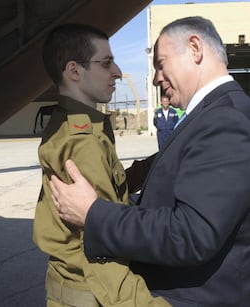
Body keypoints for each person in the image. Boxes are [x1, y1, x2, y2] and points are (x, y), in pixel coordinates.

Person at [50, 16, 250, 306]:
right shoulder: (214, 113)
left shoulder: (225, 118)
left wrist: (93, 213)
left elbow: (191, 234)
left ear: (195, 49)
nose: (156, 77)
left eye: (161, 63)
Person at [33, 23, 168, 307]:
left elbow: (113, 185)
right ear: (74, 71)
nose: (117, 72)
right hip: (92, 292)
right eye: (106, 63)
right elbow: (102, 246)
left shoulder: (77, 126)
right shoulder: (82, 142)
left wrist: (163, 159)